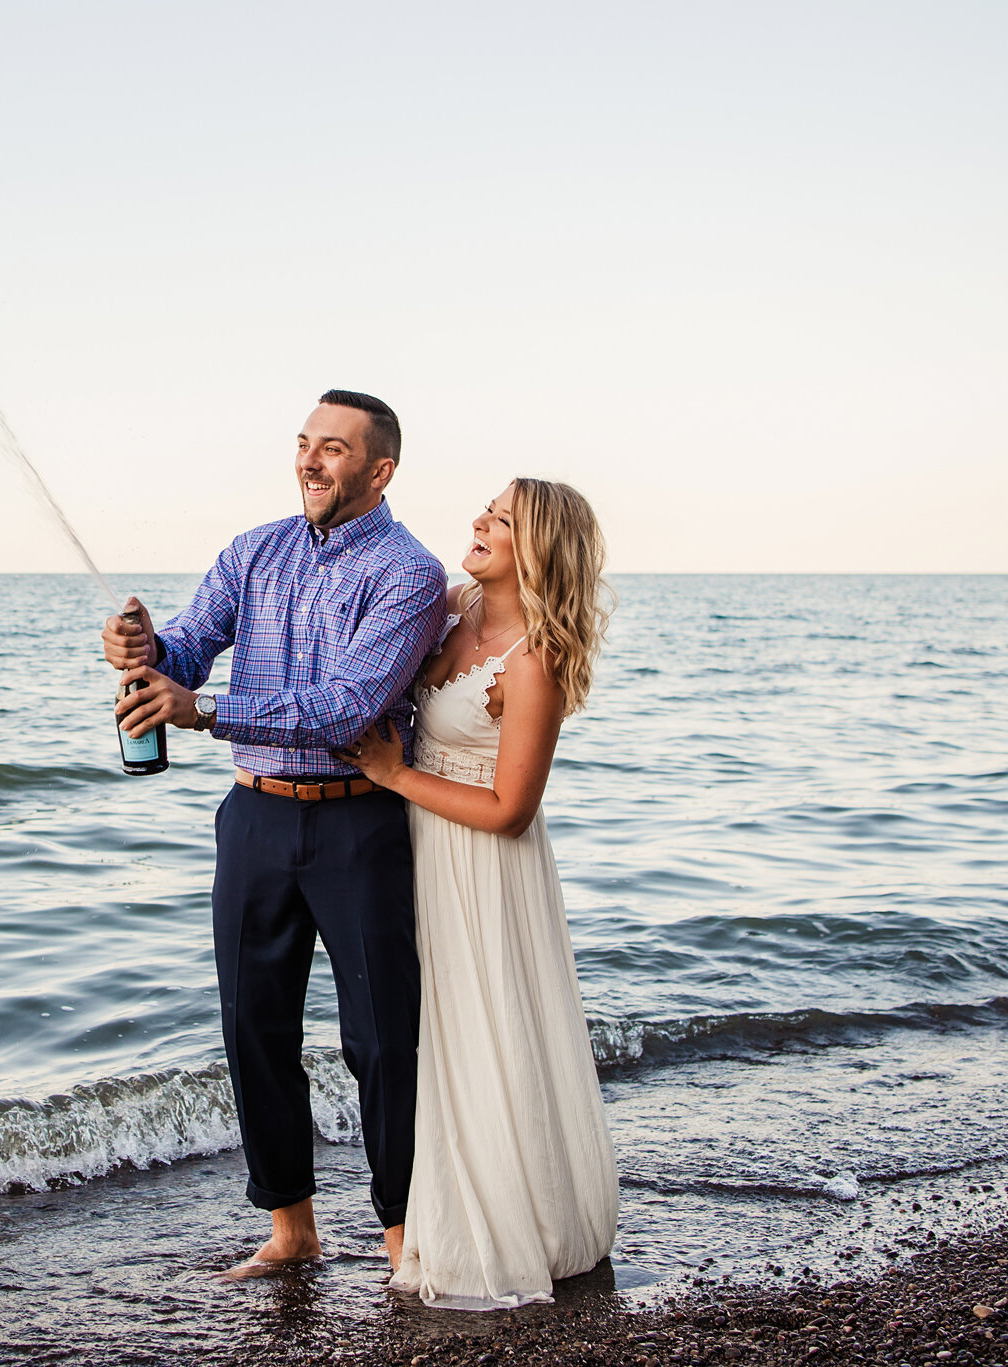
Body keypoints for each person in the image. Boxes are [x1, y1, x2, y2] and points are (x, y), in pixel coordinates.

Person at [101, 389, 446, 1272]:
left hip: (357, 825)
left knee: (380, 1039)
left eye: (332, 448)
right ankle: (291, 1230)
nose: (310, 460)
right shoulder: (252, 551)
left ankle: (404, 1234)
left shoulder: (409, 574)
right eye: (303, 443)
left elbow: (350, 706)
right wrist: (142, 645)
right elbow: (186, 647)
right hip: (252, 817)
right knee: (254, 1027)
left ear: (379, 470)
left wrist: (204, 710)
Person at [338, 477, 618, 1309]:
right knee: (430, 1032)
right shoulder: (454, 606)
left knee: (483, 1029)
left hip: (482, 866)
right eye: (486, 511)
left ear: (535, 546)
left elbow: (508, 809)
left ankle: (505, 1224)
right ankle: (444, 1207)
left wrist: (394, 772)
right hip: (419, 849)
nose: (477, 521)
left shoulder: (532, 660)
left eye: (499, 519)